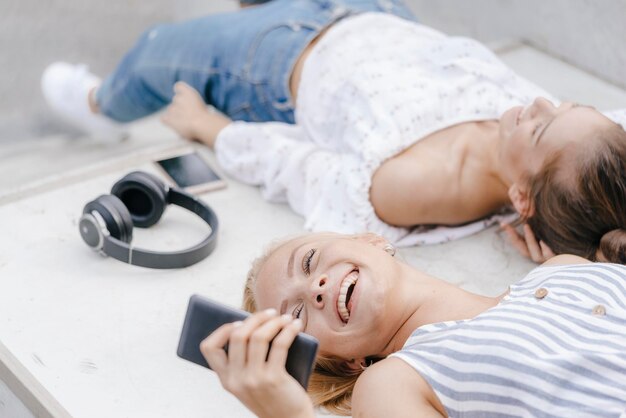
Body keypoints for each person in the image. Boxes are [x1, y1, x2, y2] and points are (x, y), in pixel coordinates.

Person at [41, 0, 626, 263]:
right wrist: (566, 252)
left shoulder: (415, 186)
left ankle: (102, 105)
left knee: (154, 56)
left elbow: (304, 172)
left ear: (522, 196)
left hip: (277, 57)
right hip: (377, 17)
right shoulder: (577, 159)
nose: (541, 100)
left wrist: (212, 129)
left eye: (546, 123)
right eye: (570, 103)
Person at [199, 232, 626, 417]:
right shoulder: (394, 383)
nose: (315, 288)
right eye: (296, 316)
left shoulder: (563, 266)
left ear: (370, 241)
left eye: (310, 262)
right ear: (349, 363)